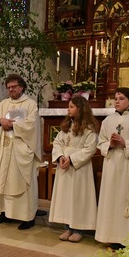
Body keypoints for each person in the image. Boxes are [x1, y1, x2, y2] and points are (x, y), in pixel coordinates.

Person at [0, 74, 42, 230]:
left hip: (21, 150)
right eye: (8, 87)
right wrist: (0, 121)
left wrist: (13, 125)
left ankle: (27, 217)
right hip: (4, 148)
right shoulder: (3, 104)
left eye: (14, 86)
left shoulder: (30, 104)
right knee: (4, 179)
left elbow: (31, 125)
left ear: (22, 87)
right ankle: (4, 212)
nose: (11, 90)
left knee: (21, 181)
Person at [49, 96, 98, 242]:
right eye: (68, 106)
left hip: (79, 169)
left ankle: (78, 229)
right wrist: (60, 157)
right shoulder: (66, 127)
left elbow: (90, 149)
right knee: (66, 198)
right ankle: (67, 228)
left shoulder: (89, 129)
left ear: (81, 108)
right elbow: (57, 143)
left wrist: (72, 159)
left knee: (78, 198)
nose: (68, 109)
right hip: (65, 166)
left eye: (71, 106)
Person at [95, 87, 129, 250]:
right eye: (115, 98)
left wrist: (126, 143)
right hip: (112, 166)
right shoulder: (108, 120)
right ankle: (113, 236)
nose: (117, 101)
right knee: (112, 200)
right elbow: (100, 143)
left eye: (121, 98)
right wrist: (110, 144)